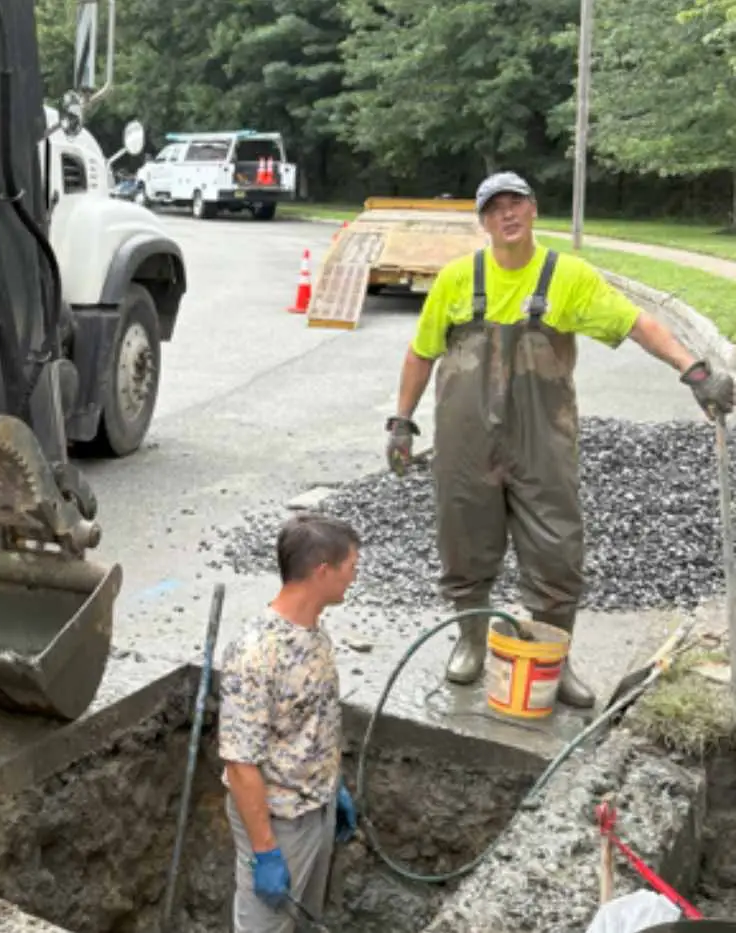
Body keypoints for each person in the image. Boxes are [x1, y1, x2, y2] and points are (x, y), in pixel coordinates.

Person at [387, 170, 735, 709]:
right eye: (495, 206)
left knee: (556, 550)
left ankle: (555, 657)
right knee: (464, 540)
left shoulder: (567, 276)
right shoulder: (457, 280)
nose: (507, 214)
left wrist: (693, 371)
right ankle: (470, 640)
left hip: (542, 442)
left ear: (532, 210)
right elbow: (421, 352)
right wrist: (401, 422)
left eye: (516, 203)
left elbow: (638, 323)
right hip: (465, 442)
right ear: (483, 221)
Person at [219, 513, 361, 933]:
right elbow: (240, 765)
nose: (354, 578)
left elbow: (314, 721)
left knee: (305, 922)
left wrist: (331, 785)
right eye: (350, 568)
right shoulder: (256, 655)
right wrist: (265, 851)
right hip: (279, 823)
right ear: (322, 572)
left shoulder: (314, 635)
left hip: (315, 808)